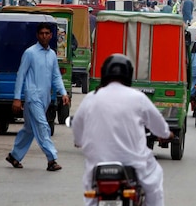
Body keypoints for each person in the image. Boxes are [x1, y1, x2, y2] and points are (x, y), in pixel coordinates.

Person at [73, 54, 173, 206]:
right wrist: (166, 134)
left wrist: (79, 141)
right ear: (129, 74)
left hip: (98, 165)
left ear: (104, 73)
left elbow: (77, 128)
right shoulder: (138, 98)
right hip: (133, 163)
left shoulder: (91, 98)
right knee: (154, 182)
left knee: (91, 193)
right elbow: (159, 126)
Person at [6, 22, 69, 172]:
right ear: (37, 35)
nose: (44, 36)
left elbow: (56, 76)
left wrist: (64, 92)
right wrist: (16, 98)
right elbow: (20, 75)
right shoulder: (30, 53)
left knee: (29, 129)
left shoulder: (52, 54)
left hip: (45, 97)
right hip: (32, 96)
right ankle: (51, 159)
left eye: (47, 33)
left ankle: (14, 156)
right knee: (42, 126)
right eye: (42, 33)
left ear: (51, 35)